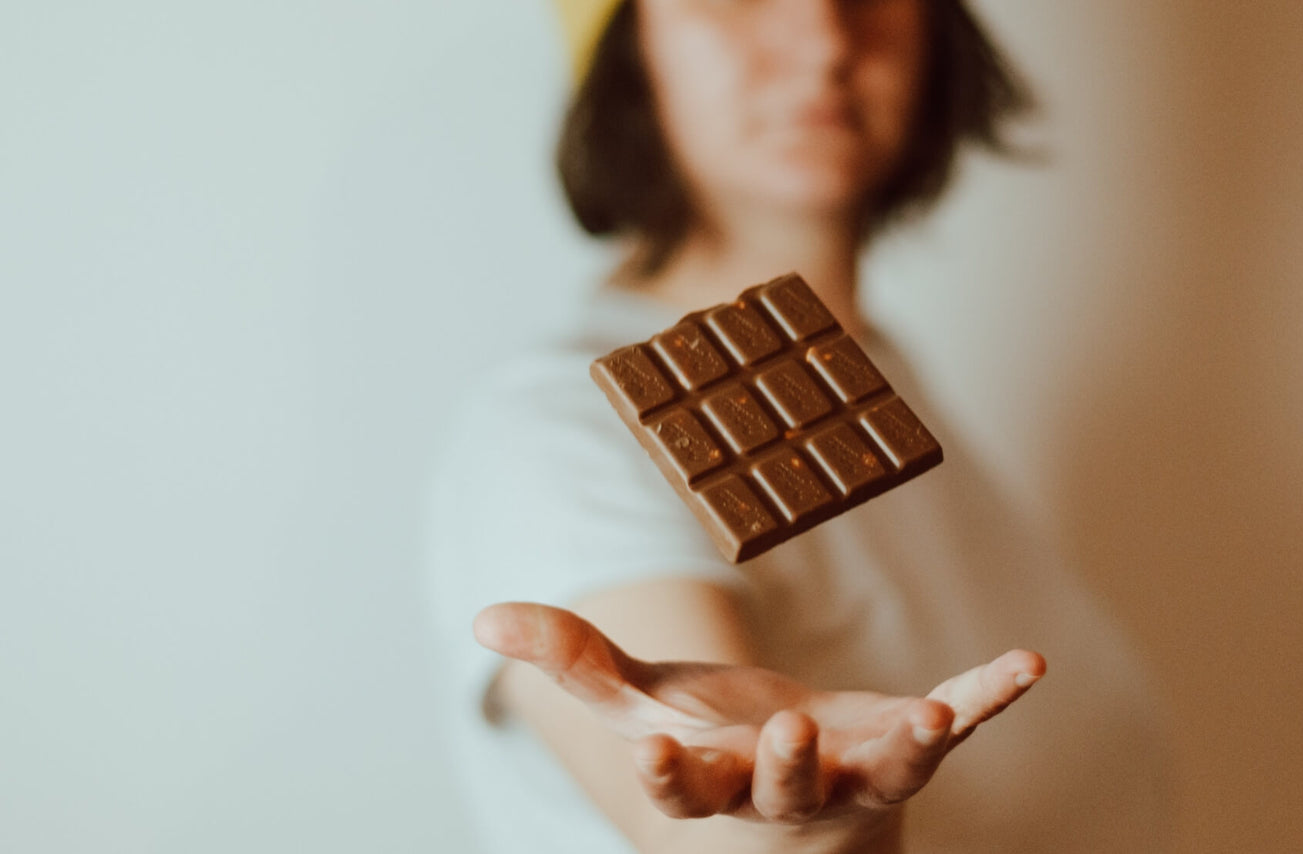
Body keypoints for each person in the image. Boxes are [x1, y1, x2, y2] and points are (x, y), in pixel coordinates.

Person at [426, 1, 1171, 851]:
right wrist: (800, 823)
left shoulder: (879, 375)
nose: (823, 40)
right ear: (627, 46)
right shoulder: (557, 433)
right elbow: (696, 815)